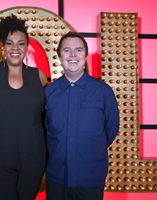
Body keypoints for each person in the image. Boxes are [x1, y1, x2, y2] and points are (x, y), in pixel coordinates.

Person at [0, 14, 48, 200]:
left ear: (27, 46)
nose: (15, 48)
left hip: (33, 157)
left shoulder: (39, 76)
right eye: (9, 43)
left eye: (20, 43)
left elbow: (45, 116)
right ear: (3, 46)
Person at [44, 32, 119, 200]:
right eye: (67, 50)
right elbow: (44, 130)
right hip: (57, 178)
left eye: (78, 50)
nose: (72, 55)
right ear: (59, 56)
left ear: (85, 55)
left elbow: (111, 130)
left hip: (91, 179)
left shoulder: (103, 92)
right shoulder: (48, 93)